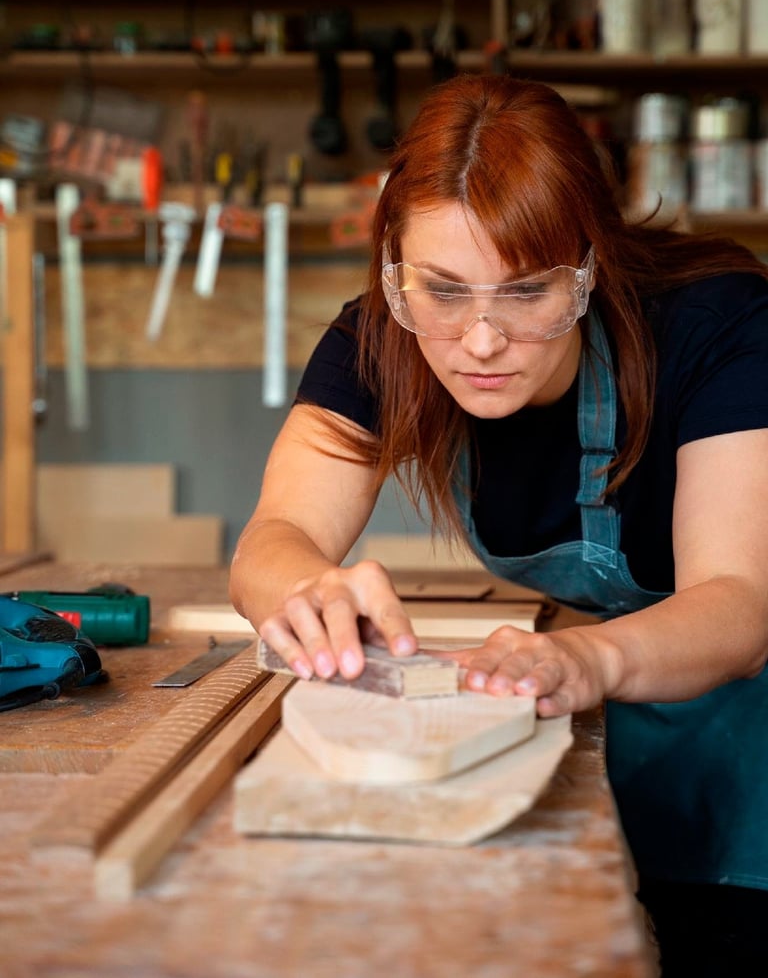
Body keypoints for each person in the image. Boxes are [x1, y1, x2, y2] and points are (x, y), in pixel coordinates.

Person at [230, 74, 768, 975]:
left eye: (526, 294)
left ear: (589, 265)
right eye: (442, 291)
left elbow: (742, 602)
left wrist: (586, 658)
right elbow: (275, 532)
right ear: (394, 274)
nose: (480, 341)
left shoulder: (720, 329)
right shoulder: (378, 341)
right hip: (602, 732)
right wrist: (304, 586)